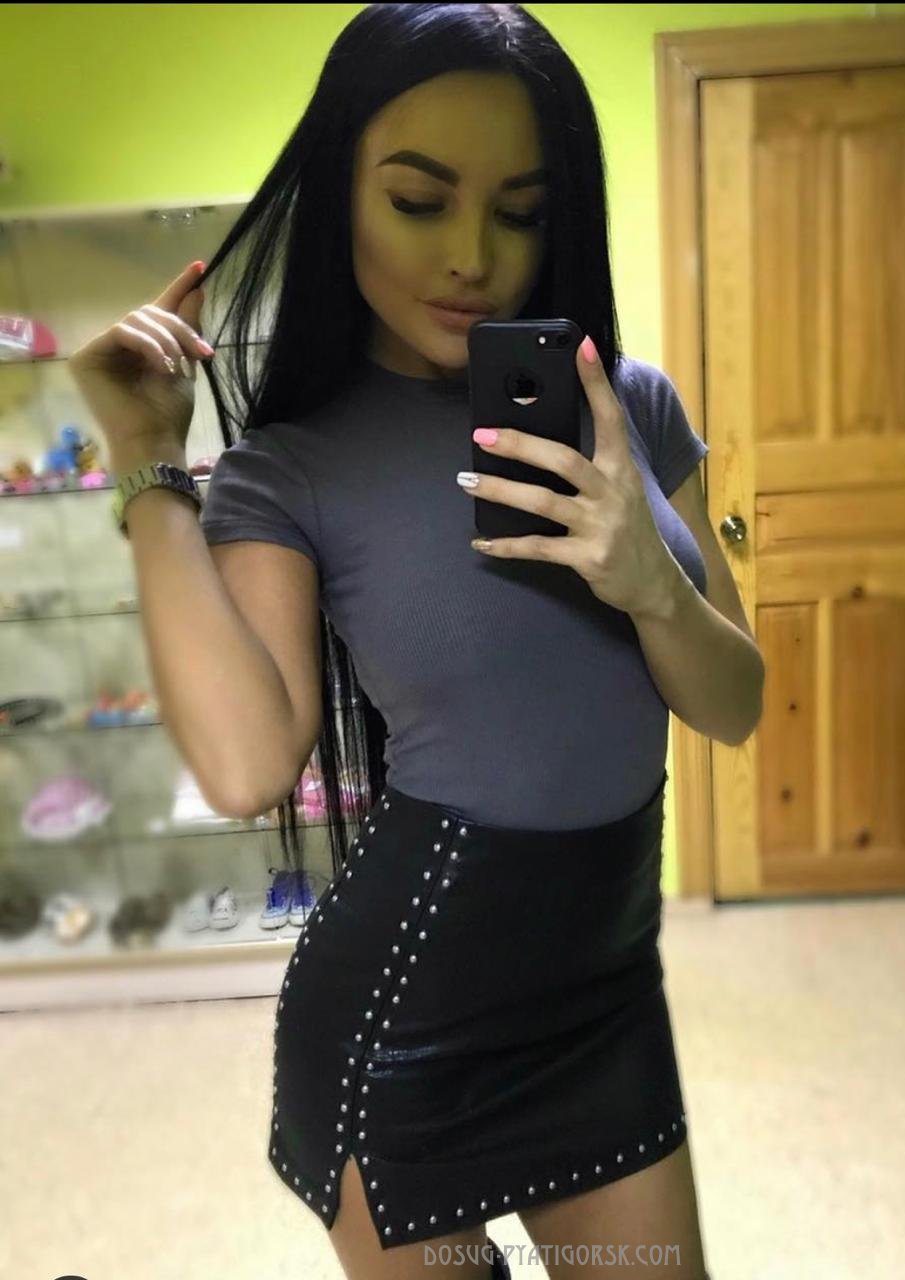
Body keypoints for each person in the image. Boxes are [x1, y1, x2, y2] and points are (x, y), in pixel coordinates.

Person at [71, 5, 737, 1276]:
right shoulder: (292, 468)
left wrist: (653, 584)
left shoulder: (632, 410)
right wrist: (147, 456)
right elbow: (246, 764)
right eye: (419, 201)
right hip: (403, 1030)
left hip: (607, 1003)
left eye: (520, 210)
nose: (473, 256)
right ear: (341, 196)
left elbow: (735, 702)